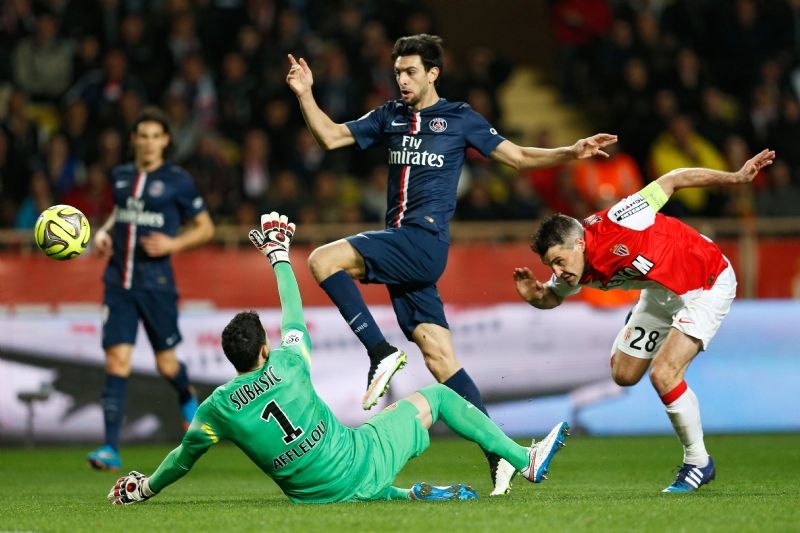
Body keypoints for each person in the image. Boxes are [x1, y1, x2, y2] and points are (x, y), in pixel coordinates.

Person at [285, 34, 615, 495]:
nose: (402, 80)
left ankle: (380, 352)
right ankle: (505, 455)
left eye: (411, 72)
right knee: (442, 360)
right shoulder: (389, 116)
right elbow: (330, 135)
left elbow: (518, 157)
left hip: (422, 242)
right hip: (404, 251)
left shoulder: (460, 119)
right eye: (398, 72)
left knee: (323, 260)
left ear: (433, 73)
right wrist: (305, 93)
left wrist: (569, 152)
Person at [106, 212, 570, 505]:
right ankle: (522, 458)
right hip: (360, 460)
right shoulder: (287, 364)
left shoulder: (216, 410)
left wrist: (145, 488)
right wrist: (278, 256)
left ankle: (410, 496)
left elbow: (182, 459)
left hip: (315, 497)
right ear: (264, 349)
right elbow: (293, 313)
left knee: (348, 482)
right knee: (439, 397)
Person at [511, 149, 776, 493]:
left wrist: (735, 177)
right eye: (551, 266)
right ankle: (639, 321)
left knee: (664, 373)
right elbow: (551, 296)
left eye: (559, 261)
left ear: (579, 243)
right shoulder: (572, 270)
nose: (558, 272)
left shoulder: (621, 219)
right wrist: (534, 295)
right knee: (623, 375)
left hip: (706, 282)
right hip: (659, 291)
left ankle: (698, 462)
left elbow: (674, 179)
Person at [87, 106, 216, 471]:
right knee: (117, 361)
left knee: (166, 363)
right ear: (133, 140)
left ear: (165, 141)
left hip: (156, 285)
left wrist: (174, 244)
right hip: (118, 283)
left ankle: (186, 394)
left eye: (155, 136)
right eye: (142, 136)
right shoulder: (121, 176)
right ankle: (109, 448)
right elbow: (121, 213)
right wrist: (103, 234)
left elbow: (206, 227)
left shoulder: (177, 180)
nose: (148, 143)